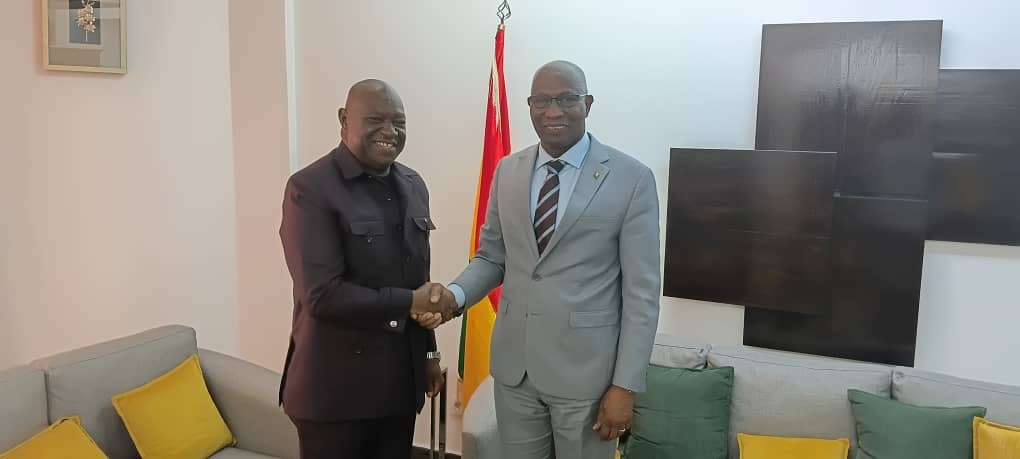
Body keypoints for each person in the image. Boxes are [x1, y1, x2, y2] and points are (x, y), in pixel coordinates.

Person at [424, 60, 662, 459]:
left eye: (567, 99)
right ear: (530, 106)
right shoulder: (508, 171)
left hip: (587, 377)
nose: (553, 111)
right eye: (542, 101)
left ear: (587, 103)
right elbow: (492, 257)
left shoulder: (631, 179)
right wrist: (455, 295)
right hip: (515, 373)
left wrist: (625, 385)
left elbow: (643, 293)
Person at [278, 79, 457, 459]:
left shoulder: (413, 184)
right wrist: (410, 301)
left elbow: (418, 281)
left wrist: (429, 355)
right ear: (344, 120)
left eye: (399, 122)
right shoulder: (309, 189)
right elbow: (321, 295)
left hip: (398, 387)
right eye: (375, 119)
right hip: (334, 394)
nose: (390, 131)